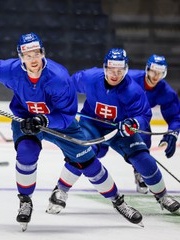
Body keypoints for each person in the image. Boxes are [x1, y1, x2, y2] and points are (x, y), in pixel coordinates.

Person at [0, 33, 143, 231]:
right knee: (26, 153)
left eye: (36, 53)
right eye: (28, 55)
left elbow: (67, 115)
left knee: (88, 163)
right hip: (26, 120)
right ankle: (25, 201)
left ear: (42, 53)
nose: (33, 59)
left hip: (58, 122)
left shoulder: (59, 78)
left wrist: (45, 119)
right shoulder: (10, 70)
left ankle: (118, 201)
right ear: (21, 57)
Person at [46, 48, 180, 216]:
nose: (115, 74)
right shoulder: (89, 78)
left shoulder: (134, 90)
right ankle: (60, 190)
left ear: (125, 69)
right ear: (104, 67)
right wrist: (51, 99)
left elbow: (144, 115)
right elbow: (66, 86)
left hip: (120, 129)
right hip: (91, 125)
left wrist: (134, 123)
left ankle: (162, 195)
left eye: (119, 70)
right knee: (83, 153)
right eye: (111, 69)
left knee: (143, 158)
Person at [127, 55, 180, 193]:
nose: (156, 76)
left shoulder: (166, 91)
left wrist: (172, 134)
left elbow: (175, 116)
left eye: (160, 72)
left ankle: (140, 171)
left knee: (143, 140)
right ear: (147, 69)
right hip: (117, 115)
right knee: (100, 150)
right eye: (153, 71)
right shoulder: (129, 78)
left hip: (138, 119)